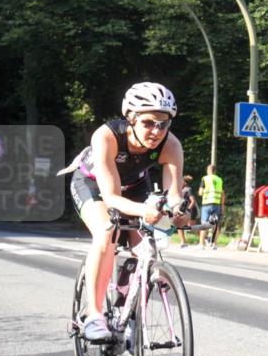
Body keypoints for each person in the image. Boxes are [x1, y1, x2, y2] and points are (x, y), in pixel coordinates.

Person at [61, 82, 188, 341]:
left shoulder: (171, 145)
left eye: (163, 124)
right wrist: (144, 210)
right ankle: (94, 316)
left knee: (145, 247)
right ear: (131, 119)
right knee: (107, 232)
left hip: (134, 185)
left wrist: (178, 211)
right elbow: (111, 197)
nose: (156, 131)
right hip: (92, 184)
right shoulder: (106, 136)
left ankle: (124, 312)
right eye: (149, 123)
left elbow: (174, 194)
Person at [198, 164, 225, 249]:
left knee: (204, 224)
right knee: (215, 225)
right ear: (215, 171)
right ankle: (214, 244)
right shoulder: (219, 180)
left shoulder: (205, 179)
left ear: (208, 170)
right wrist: (222, 206)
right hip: (216, 204)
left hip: (206, 204)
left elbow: (200, 192)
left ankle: (201, 244)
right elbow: (222, 193)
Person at [178, 174, 198, 247]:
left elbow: (193, 201)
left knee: (192, 227)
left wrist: (188, 210)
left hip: (190, 210)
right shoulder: (181, 190)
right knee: (180, 225)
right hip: (183, 210)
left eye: (180, 181)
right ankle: (183, 242)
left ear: (184, 182)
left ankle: (203, 239)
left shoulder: (188, 189)